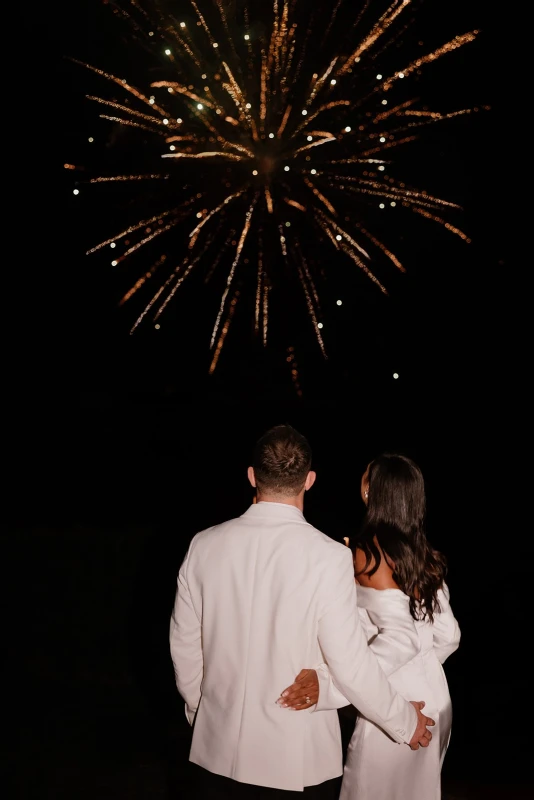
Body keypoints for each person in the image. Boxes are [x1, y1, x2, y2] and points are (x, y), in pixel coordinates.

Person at [169, 426, 436, 798]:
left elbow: (184, 647)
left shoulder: (204, 545)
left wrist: (208, 714)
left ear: (251, 475)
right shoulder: (329, 557)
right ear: (309, 480)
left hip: (215, 753)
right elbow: (351, 664)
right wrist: (405, 722)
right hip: (294, 761)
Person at [281, 452, 461, 800]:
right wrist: (422, 669)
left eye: (366, 476)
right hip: (438, 700)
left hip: (395, 702)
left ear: (371, 492)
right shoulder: (424, 554)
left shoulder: (366, 553)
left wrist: (330, 686)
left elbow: (400, 639)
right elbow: (449, 636)